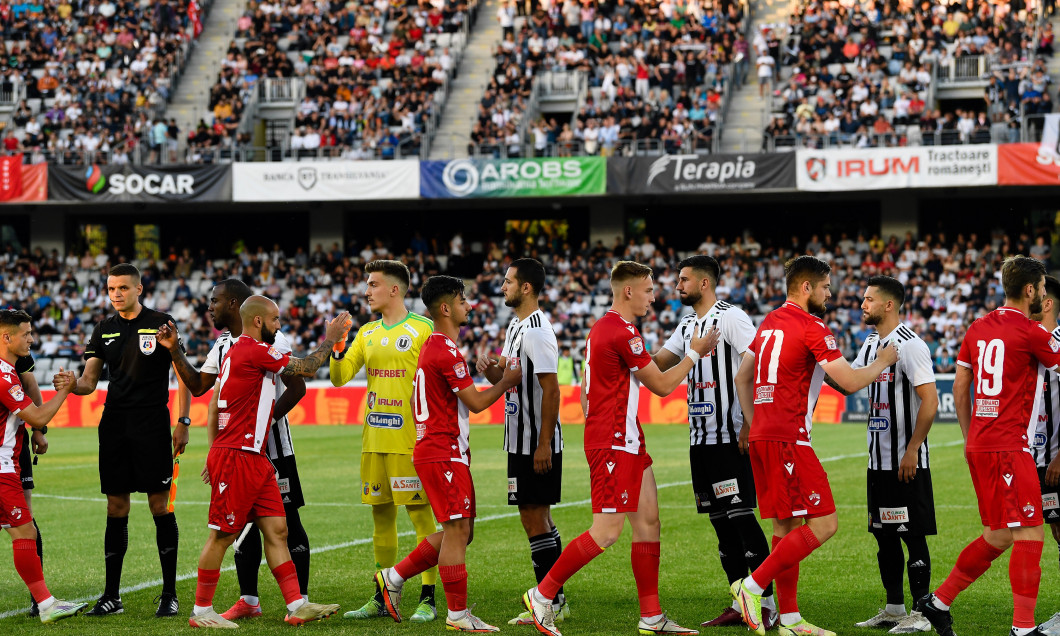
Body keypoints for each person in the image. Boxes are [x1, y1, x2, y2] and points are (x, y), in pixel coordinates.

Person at [521, 260, 719, 636]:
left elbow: (586, 391)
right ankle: (542, 594)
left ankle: (652, 616)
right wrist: (694, 352)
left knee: (648, 523)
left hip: (625, 437)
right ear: (628, 291)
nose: (654, 296)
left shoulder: (606, 329)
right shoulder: (621, 332)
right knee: (607, 531)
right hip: (613, 440)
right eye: (648, 290)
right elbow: (660, 386)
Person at [731, 256, 898, 636]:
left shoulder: (770, 321)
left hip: (765, 436)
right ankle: (752, 586)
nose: (829, 293)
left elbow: (743, 376)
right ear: (806, 288)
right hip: (789, 438)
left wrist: (754, 422)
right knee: (824, 524)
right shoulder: (812, 326)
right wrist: (883, 361)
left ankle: (789, 619)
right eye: (825, 287)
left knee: (786, 526)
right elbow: (851, 382)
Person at [917, 256, 1060, 636]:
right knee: (1030, 533)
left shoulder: (977, 328)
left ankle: (939, 601)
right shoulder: (1032, 332)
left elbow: (961, 387)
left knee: (1000, 533)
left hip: (981, 444)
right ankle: (1023, 628)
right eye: (1043, 288)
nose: (1045, 294)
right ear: (1030, 290)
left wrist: (969, 437)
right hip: (1010, 447)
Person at [156, 278, 313, 619]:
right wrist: (174, 350)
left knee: (285, 523)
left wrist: (263, 420)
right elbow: (199, 387)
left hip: (272, 447)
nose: (209, 307)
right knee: (239, 529)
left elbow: (298, 385)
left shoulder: (271, 337)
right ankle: (249, 600)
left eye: (215, 300)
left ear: (235, 305)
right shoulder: (224, 344)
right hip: (238, 448)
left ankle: (299, 600)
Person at [186, 296, 347, 628]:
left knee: (278, 529)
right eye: (275, 320)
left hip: (255, 458)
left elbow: (218, 403)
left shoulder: (237, 352)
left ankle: (297, 604)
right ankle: (202, 611)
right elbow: (306, 368)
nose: (279, 325)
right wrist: (330, 339)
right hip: (237, 457)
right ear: (258, 321)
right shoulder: (253, 349)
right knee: (222, 535)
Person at [373, 275, 521, 632]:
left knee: (463, 530)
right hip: (443, 450)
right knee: (456, 529)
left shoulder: (435, 348)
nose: (468, 305)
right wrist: (505, 382)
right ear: (445, 308)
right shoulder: (444, 349)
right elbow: (475, 403)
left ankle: (393, 577)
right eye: (462, 300)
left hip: (440, 448)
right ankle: (457, 614)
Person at [653, 255, 776, 629]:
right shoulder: (688, 323)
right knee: (721, 524)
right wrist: (625, 350)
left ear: (704, 283)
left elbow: (758, 362)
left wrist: (746, 424)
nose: (677, 286)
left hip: (729, 438)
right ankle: (740, 602)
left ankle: (767, 603)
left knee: (741, 517)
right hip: (700, 441)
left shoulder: (732, 317)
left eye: (684, 280)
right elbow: (659, 362)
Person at [65, 263, 192, 618]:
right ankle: (111, 596)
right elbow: (89, 383)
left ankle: (169, 594)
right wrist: (69, 385)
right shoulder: (103, 329)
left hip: (152, 423)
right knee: (115, 507)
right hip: (115, 424)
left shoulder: (161, 323)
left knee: (159, 506)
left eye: (122, 288)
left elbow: (182, 374)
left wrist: (183, 420)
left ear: (138, 289)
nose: (116, 294)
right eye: (110, 289)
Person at [330, 260, 440, 622]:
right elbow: (340, 378)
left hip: (410, 442)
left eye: (373, 284)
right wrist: (336, 347)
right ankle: (382, 596)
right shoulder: (366, 333)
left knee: (421, 516)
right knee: (381, 518)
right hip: (374, 438)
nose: (366, 291)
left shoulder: (423, 329)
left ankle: (428, 597)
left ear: (395, 289)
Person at [842, 276, 938, 634]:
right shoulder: (871, 343)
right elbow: (849, 379)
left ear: (889, 305)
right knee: (884, 536)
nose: (862, 304)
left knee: (912, 535)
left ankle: (922, 612)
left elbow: (930, 401)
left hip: (905, 462)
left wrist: (913, 449)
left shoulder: (910, 345)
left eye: (869, 299)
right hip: (877, 461)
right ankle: (895, 608)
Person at [477, 259, 570, 626]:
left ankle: (548, 602)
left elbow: (552, 388)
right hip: (518, 440)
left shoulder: (537, 330)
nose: (502, 287)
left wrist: (544, 443)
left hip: (535, 441)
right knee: (538, 515)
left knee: (534, 517)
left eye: (508, 282)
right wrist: (492, 373)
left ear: (526, 288)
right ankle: (555, 599)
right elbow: (511, 377)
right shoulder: (515, 326)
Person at [0, 309, 87, 623]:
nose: (31, 339)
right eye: (26, 334)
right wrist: (65, 391)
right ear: (7, 337)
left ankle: (46, 602)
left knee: (23, 530)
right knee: (24, 531)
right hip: (2, 470)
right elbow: (37, 417)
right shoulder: (4, 375)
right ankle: (47, 604)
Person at [1034, 275, 1060, 636]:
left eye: (1036, 294)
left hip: (1057, 459)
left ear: (1048, 302)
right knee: (1057, 531)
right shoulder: (1032, 341)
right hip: (1038, 458)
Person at [14, 354, 48, 618]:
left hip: (14, 446)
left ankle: (39, 598)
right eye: (26, 334)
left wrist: (39, 428)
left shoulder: (18, 355)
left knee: (26, 517)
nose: (30, 340)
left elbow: (31, 385)